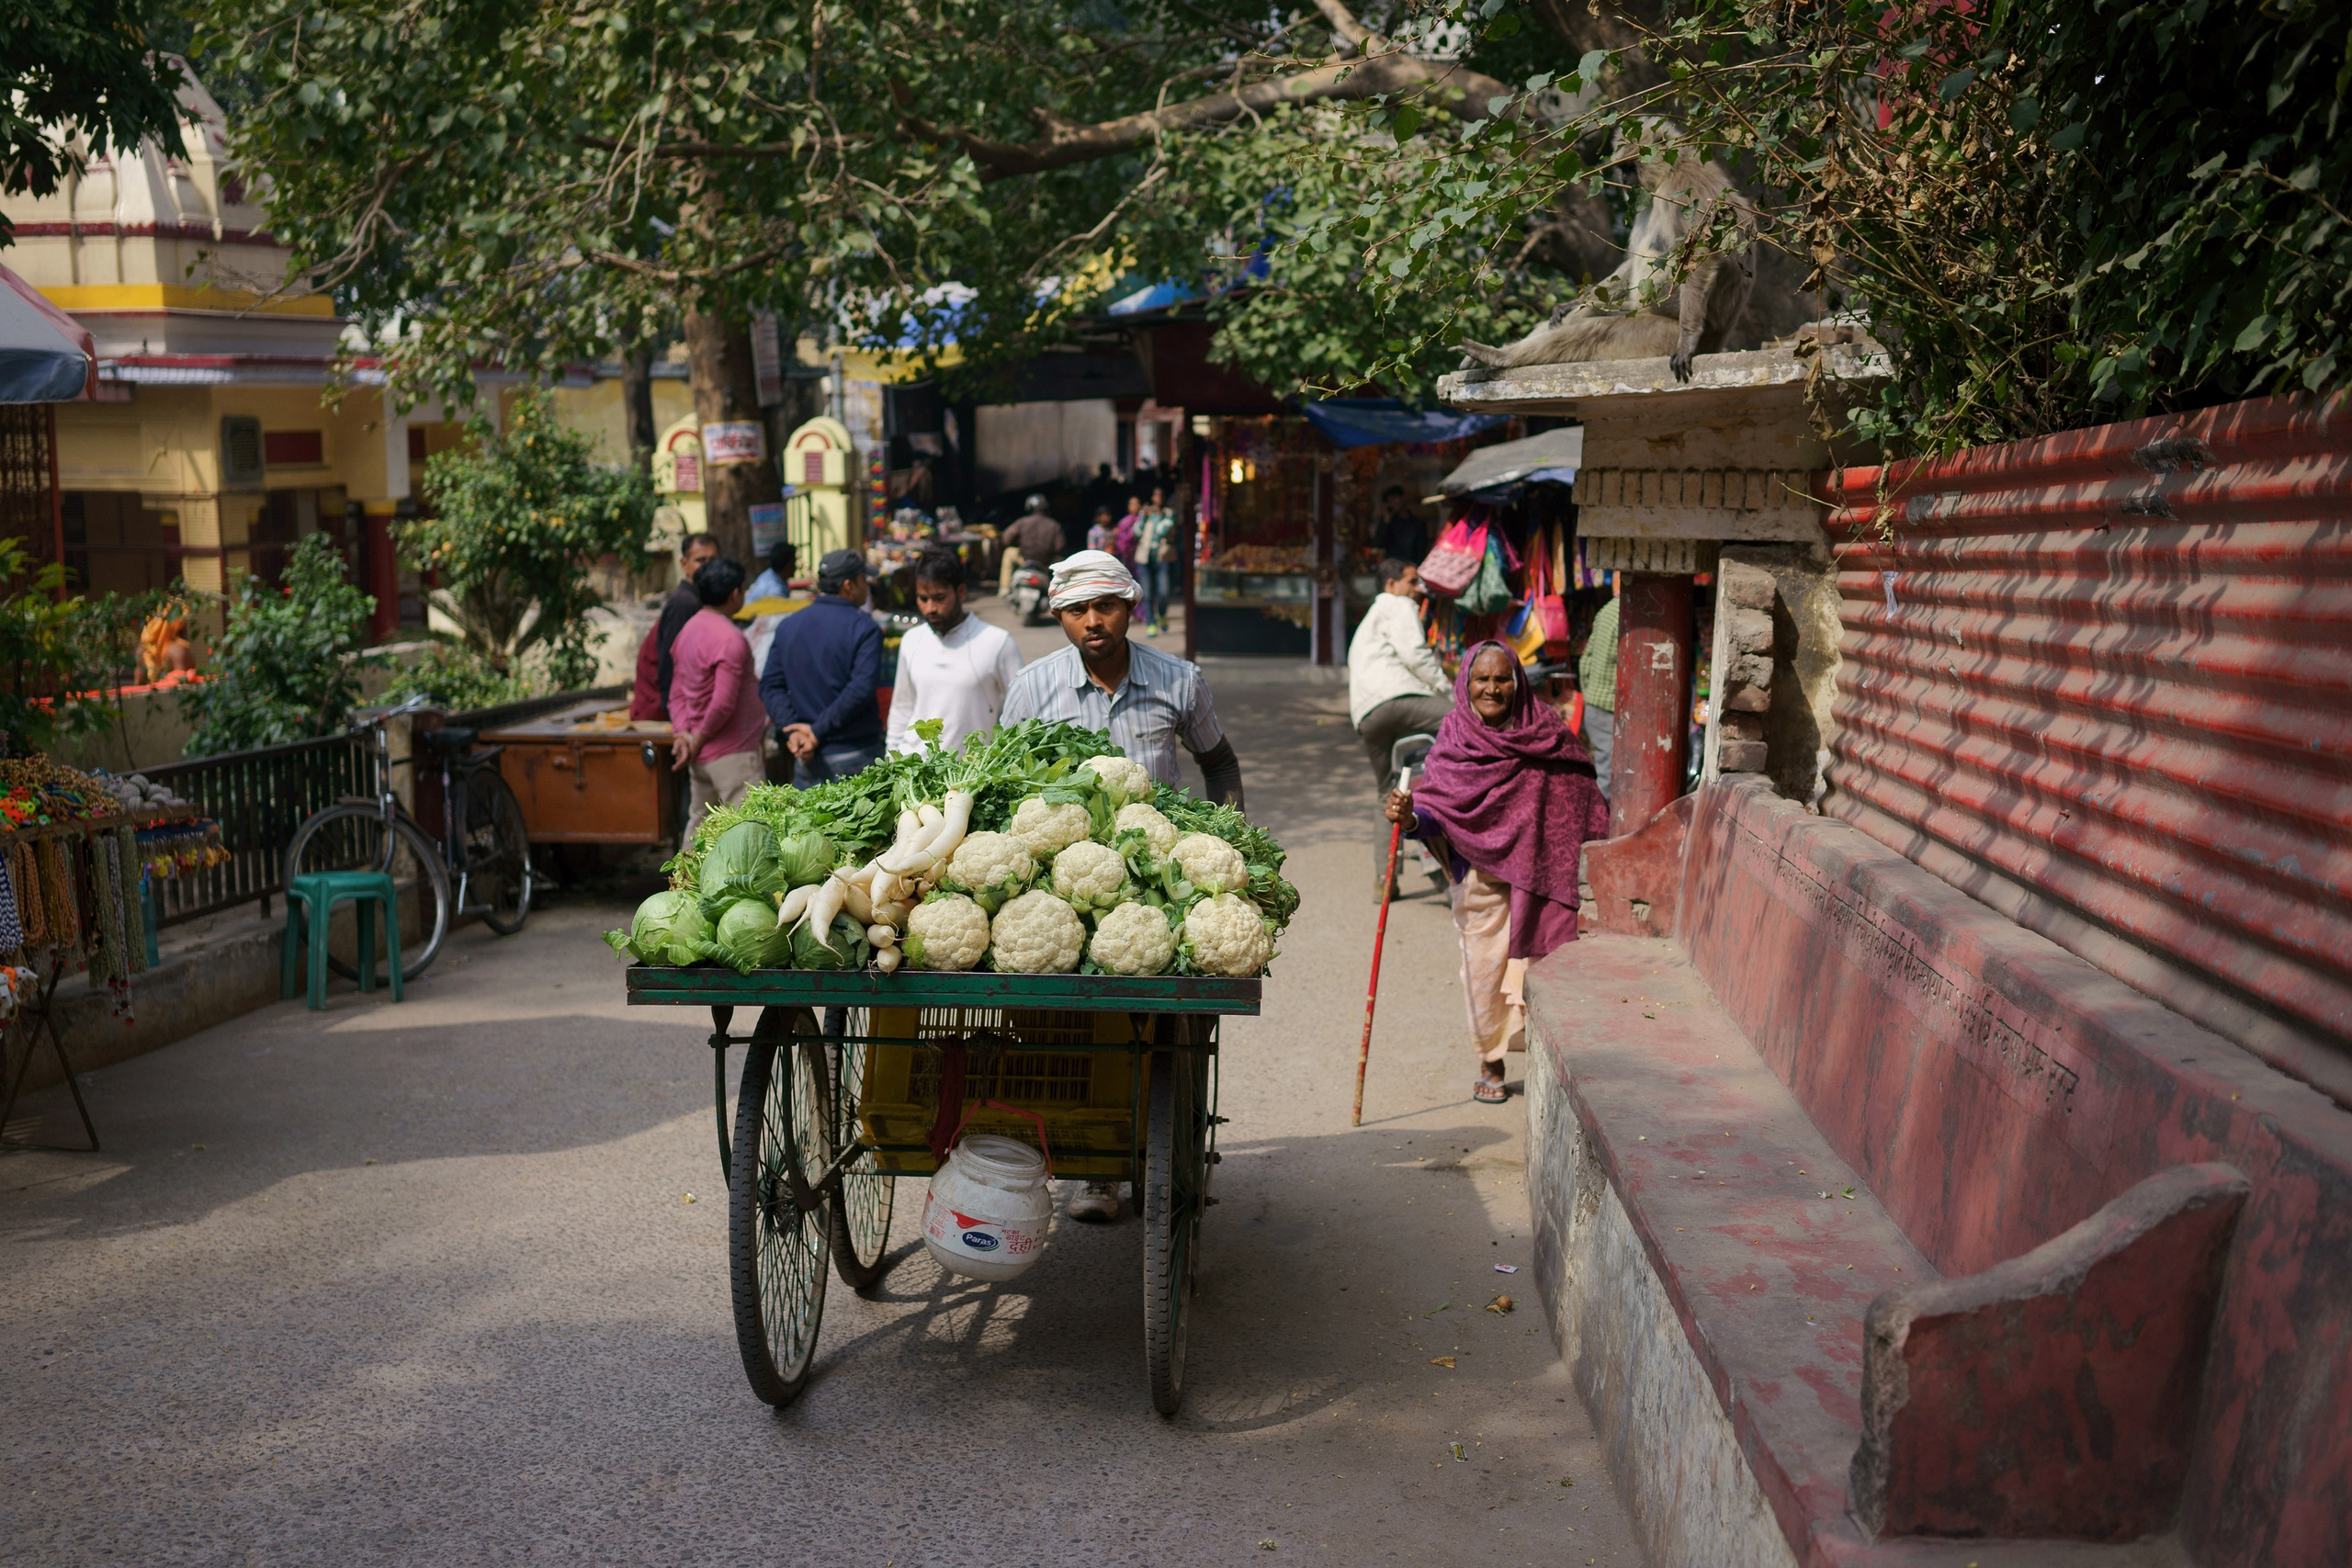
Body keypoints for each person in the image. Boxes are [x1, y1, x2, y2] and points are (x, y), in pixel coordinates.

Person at [998, 549, 1244, 1224]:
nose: (1092, 622)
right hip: (1062, 882)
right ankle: (1098, 1164)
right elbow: (1005, 784)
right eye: (1077, 610)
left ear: (1130, 607)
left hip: (1160, 880)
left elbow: (1219, 763)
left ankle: (1167, 1143)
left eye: (1105, 606)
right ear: (1059, 615)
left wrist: (1231, 840)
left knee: (1167, 1024)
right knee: (1076, 1026)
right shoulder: (1033, 688)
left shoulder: (1180, 680)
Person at [1385, 641, 1611, 1104]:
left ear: (1518, 682)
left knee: (1543, 974)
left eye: (1502, 678)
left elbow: (1582, 792)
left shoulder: (1546, 732)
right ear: (1466, 684)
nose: (1492, 688)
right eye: (1482, 679)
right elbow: (1436, 810)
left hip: (1542, 880)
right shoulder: (1454, 737)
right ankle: (1491, 1062)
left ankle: (1551, 1063)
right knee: (1483, 975)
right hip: (1479, 880)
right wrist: (1409, 818)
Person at [760, 548, 886, 786]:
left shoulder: (789, 625)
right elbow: (860, 689)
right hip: (852, 753)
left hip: (806, 753)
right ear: (849, 585)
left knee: (809, 812)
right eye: (863, 580)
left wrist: (795, 732)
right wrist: (813, 732)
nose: (867, 587)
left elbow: (770, 686)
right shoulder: (864, 628)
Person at [884, 547, 1024, 756]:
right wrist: (891, 759)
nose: (930, 608)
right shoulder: (911, 640)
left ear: (961, 592)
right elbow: (902, 708)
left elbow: (1023, 711)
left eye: (939, 597)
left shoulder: (997, 642)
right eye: (923, 599)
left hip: (970, 772)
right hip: (915, 768)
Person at [666, 557, 769, 834]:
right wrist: (695, 739)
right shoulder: (730, 638)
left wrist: (684, 734)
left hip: (701, 753)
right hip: (733, 753)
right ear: (736, 593)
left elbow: (676, 693)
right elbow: (723, 703)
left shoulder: (688, 630)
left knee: (700, 830)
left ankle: (684, 867)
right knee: (749, 832)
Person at [1348, 558, 1451, 787]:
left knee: (1388, 791)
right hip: (1396, 699)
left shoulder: (1370, 620)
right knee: (1463, 720)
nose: (1418, 589)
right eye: (1412, 582)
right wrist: (1447, 690)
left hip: (1366, 716)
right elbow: (1415, 655)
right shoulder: (1398, 604)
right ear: (1391, 584)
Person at [630, 531, 718, 720]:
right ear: (684, 565)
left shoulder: (702, 598)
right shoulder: (684, 603)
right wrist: (677, 714)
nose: (708, 567)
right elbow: (671, 661)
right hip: (663, 704)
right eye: (701, 561)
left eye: (713, 560)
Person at [1578, 590, 1620, 802]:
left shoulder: (1607, 610)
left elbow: (1585, 661)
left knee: (1605, 770)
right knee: (1609, 780)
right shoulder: (1631, 613)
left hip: (1595, 705)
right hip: (1609, 709)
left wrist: (1590, 694)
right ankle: (1600, 818)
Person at [998, 494, 1067, 597]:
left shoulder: (1022, 522)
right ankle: (1060, 591)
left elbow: (1006, 539)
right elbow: (1060, 547)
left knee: (1008, 552)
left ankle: (1004, 587)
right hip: (1046, 563)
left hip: (1025, 559)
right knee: (1062, 560)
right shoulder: (1054, 525)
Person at [1134, 489, 1178, 636]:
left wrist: (1157, 516)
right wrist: (1143, 517)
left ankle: (1162, 614)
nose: (1158, 498)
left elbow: (1162, 531)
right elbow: (1136, 532)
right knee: (1147, 593)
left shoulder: (1169, 513)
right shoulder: (1145, 514)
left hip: (1162, 558)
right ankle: (1151, 623)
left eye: (1161, 495)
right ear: (1152, 497)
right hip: (1144, 558)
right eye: (1156, 495)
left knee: (1163, 592)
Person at [1370, 486, 1430, 568]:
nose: (1393, 503)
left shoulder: (1418, 524)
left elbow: (1421, 550)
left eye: (1394, 498)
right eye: (1389, 501)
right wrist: (1386, 521)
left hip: (1411, 565)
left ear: (1403, 498)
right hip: (1392, 565)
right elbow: (1378, 543)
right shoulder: (1389, 523)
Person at [745, 539, 797, 604]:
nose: (795, 567)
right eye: (793, 563)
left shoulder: (769, 574)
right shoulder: (775, 591)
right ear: (787, 565)